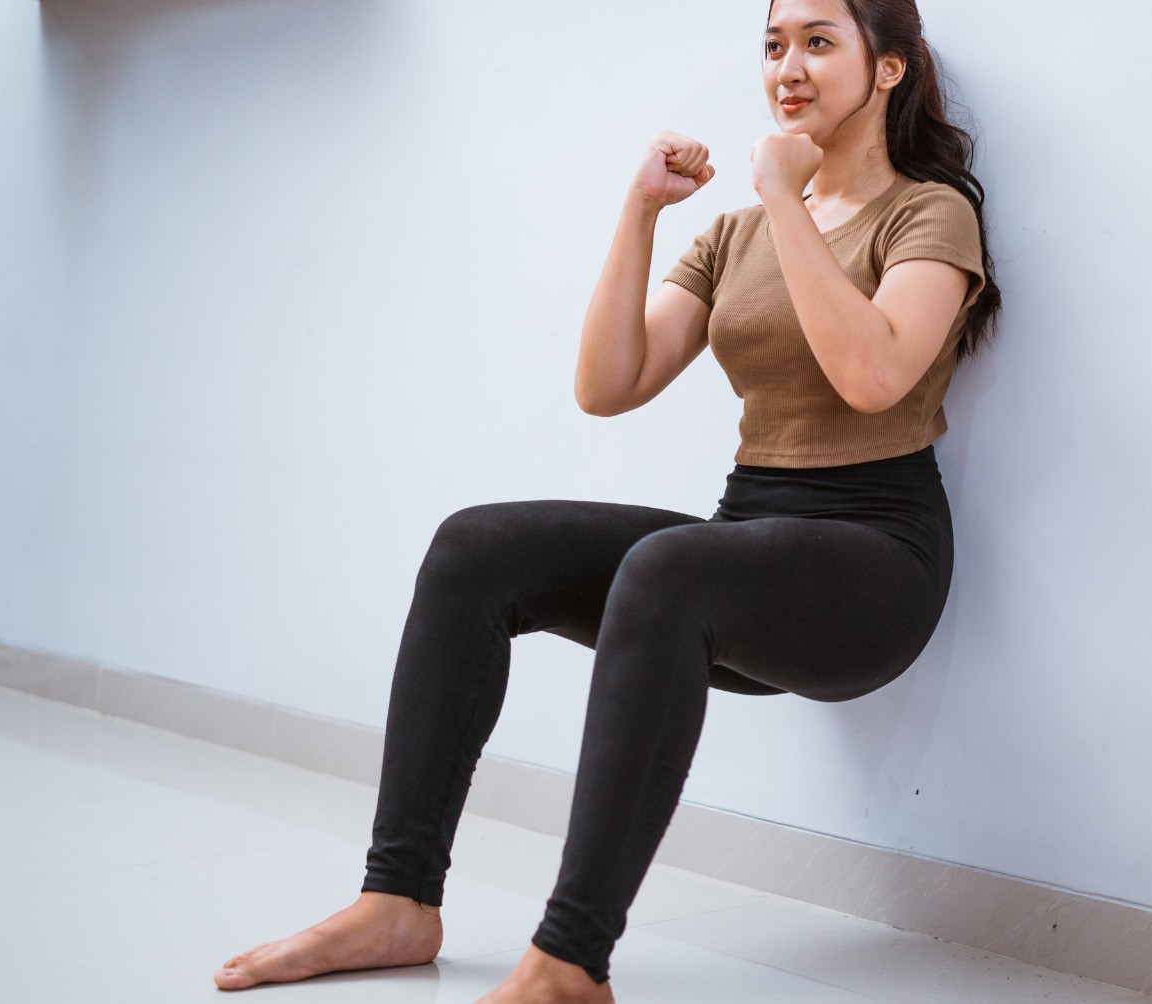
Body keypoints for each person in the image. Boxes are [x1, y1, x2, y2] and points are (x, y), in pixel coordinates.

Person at [211, 0, 1002, 1000]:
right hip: (746, 545)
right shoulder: (737, 234)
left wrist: (782, 191)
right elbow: (608, 382)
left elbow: (872, 375)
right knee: (475, 547)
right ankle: (397, 900)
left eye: (818, 41)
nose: (787, 67)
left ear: (889, 69)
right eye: (773, 45)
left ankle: (570, 961)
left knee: (670, 567)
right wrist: (642, 210)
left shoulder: (930, 213)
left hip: (877, 564)